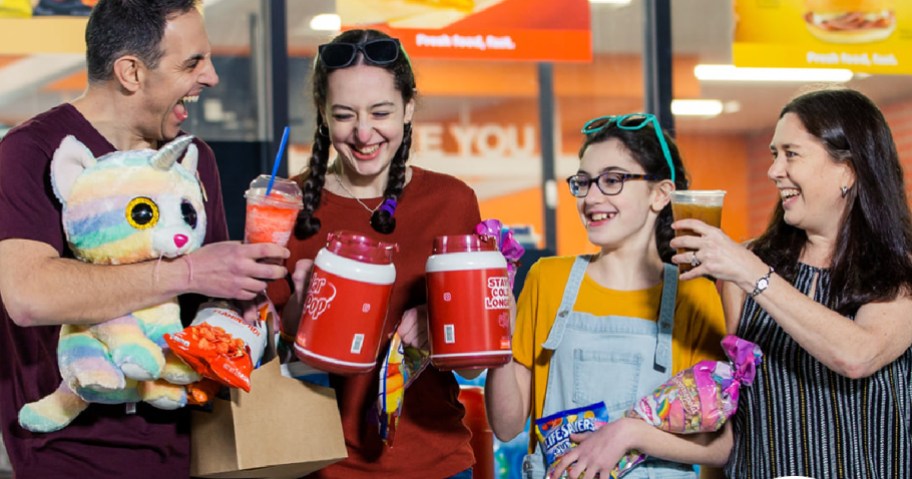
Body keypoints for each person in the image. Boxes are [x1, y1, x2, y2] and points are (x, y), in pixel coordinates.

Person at [0, 1, 289, 477]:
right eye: (192, 62)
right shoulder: (31, 149)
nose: (212, 77)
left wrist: (250, 314)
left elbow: (209, 303)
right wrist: (189, 271)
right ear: (131, 72)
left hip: (181, 444)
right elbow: (29, 295)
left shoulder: (193, 158)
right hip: (66, 451)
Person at [267, 29, 480, 478]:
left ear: (408, 109)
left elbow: (477, 357)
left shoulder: (452, 201)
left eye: (380, 112)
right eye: (344, 115)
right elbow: (257, 343)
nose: (364, 133)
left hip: (434, 460)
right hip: (316, 462)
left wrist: (440, 322)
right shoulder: (284, 203)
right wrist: (300, 315)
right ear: (323, 116)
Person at [670, 87, 912, 478]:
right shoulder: (746, 268)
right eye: (773, 154)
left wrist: (751, 273)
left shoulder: (899, 273)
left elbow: (858, 354)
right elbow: (728, 417)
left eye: (791, 154)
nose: (773, 170)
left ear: (847, 171)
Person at [485, 113, 731, 479]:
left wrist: (629, 434)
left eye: (612, 180)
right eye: (583, 183)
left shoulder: (694, 294)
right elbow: (506, 425)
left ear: (661, 194)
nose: (591, 198)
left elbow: (722, 445)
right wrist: (498, 320)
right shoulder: (546, 280)